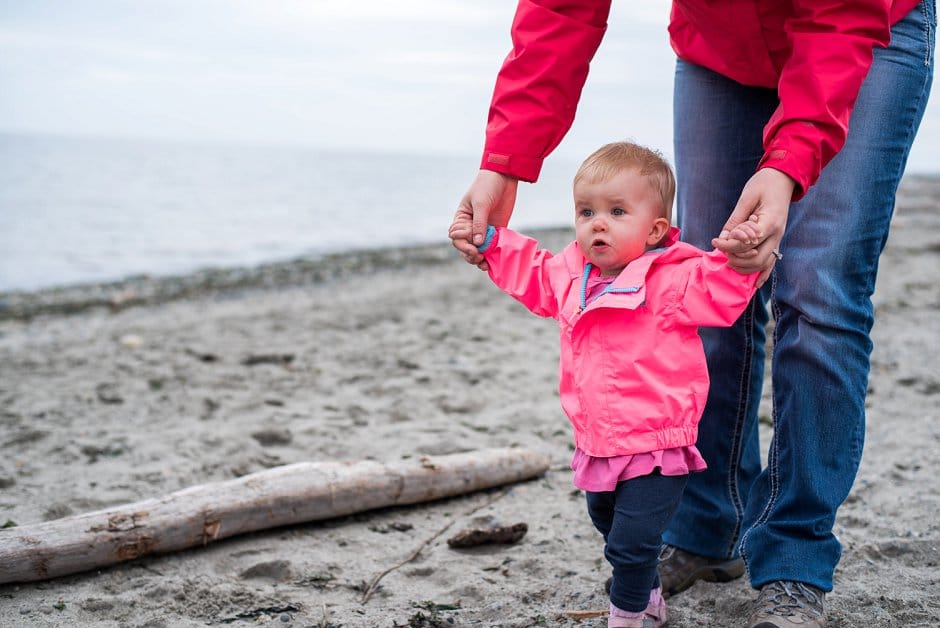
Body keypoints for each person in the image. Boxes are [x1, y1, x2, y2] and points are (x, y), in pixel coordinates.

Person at [450, 2, 935, 626]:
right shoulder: (579, 272)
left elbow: (840, 15)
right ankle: (707, 527)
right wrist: (503, 161)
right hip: (720, 45)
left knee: (818, 290)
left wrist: (787, 167)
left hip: (859, 26)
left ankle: (793, 560)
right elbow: (560, 10)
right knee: (700, 283)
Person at [450, 141, 760, 627]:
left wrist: (743, 261)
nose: (597, 222)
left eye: (617, 211)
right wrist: (490, 241)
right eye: (586, 210)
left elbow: (718, 289)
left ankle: (629, 615)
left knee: (632, 544)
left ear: (655, 229)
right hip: (598, 439)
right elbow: (531, 271)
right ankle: (649, 593)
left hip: (658, 441)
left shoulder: (672, 279)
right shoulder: (570, 274)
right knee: (607, 522)